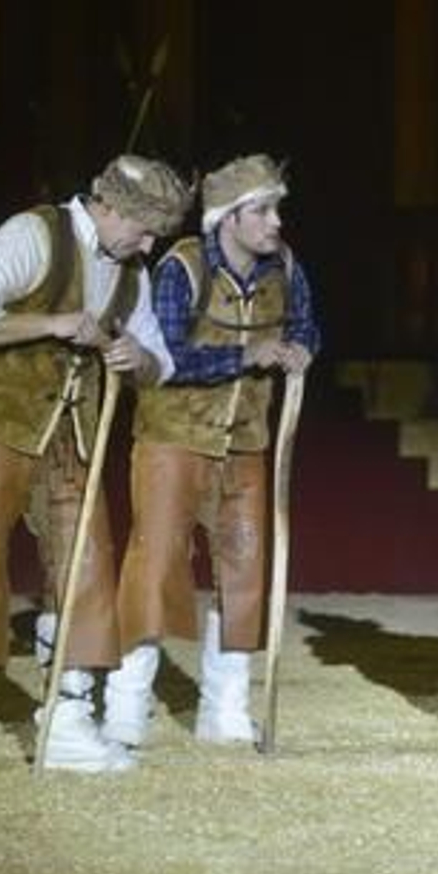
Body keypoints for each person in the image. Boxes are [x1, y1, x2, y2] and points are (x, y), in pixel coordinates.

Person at [0, 154, 191, 774]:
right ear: (110, 208)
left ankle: (68, 723)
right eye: (146, 228)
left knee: (86, 568)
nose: (150, 244)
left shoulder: (130, 273)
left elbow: (163, 362)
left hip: (71, 436)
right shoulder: (32, 235)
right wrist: (52, 322)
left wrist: (137, 358)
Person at [101, 155, 319, 749]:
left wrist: (300, 349)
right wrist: (245, 357)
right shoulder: (182, 269)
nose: (275, 222)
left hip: (245, 441)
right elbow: (164, 360)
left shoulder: (286, 268)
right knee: (156, 564)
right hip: (175, 440)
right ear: (229, 217)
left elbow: (306, 327)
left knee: (244, 572)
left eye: (277, 209)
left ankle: (223, 707)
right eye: (263, 211)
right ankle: (127, 701)